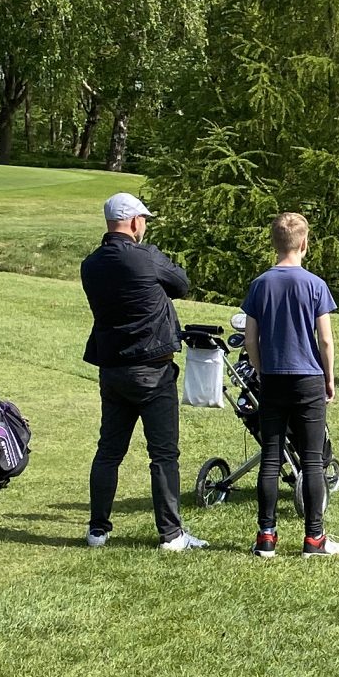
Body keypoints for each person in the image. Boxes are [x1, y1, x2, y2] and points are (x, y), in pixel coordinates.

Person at [79, 191, 205, 551]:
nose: (144, 225)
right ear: (134, 222)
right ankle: (171, 534)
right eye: (144, 220)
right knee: (163, 454)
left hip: (112, 370)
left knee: (108, 452)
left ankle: (98, 530)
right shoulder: (146, 257)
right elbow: (181, 283)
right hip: (152, 369)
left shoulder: (91, 264)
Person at [242, 211, 339, 559]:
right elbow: (326, 341)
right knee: (312, 460)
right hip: (308, 379)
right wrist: (329, 377)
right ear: (304, 243)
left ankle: (266, 536)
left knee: (271, 458)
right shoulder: (314, 285)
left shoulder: (260, 284)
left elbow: (250, 339)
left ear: (275, 243)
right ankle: (314, 538)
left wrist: (260, 369)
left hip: (272, 379)